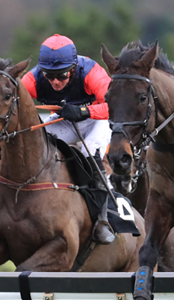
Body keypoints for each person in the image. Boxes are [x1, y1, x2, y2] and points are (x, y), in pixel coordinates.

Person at [22, 34, 116, 243]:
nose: (55, 81)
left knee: (89, 150)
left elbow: (115, 106)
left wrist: (84, 111)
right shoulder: (33, 79)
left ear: (73, 69)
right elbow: (12, 100)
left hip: (97, 120)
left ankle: (102, 219)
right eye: (49, 75)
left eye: (62, 75)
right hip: (65, 118)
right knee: (39, 146)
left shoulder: (91, 72)